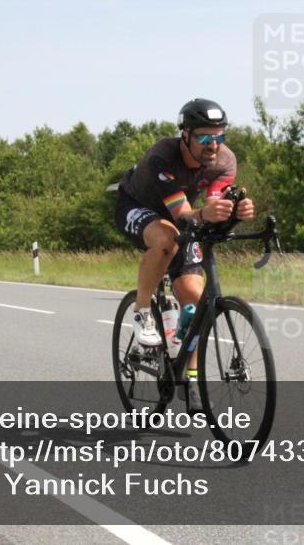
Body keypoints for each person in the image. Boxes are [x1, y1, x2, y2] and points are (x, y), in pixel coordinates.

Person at [114, 99, 255, 407]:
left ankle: (187, 376)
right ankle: (142, 312)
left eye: (220, 136)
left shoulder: (225, 161)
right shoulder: (163, 156)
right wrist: (205, 214)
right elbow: (183, 215)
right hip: (138, 206)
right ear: (186, 136)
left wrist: (236, 212)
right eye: (205, 137)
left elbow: (214, 205)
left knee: (194, 294)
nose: (213, 145)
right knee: (166, 239)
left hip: (184, 213)